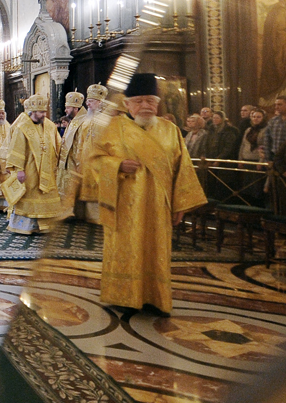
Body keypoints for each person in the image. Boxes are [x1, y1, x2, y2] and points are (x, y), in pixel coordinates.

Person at [87, 73, 207, 316]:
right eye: (139, 101)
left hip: (158, 206)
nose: (145, 106)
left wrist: (180, 204)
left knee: (157, 250)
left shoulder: (170, 130)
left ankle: (155, 297)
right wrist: (117, 165)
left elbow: (182, 169)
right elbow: (93, 161)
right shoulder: (111, 129)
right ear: (127, 104)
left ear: (158, 103)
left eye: (150, 101)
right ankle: (123, 296)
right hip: (123, 204)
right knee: (125, 247)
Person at [3, 94, 65, 234]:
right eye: (41, 112)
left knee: (46, 195)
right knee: (30, 195)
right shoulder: (22, 127)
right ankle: (25, 226)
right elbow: (17, 149)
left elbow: (58, 144)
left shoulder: (50, 126)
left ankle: (45, 225)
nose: (44, 114)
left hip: (48, 169)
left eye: (44, 112)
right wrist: (19, 170)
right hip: (30, 170)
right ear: (32, 112)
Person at [75, 85, 111, 224]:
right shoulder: (86, 120)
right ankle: (85, 215)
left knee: (98, 187)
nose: (87, 104)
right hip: (85, 160)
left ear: (100, 102)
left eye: (91, 101)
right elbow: (81, 140)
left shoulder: (107, 120)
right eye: (88, 100)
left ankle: (98, 217)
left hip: (99, 160)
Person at [57, 90, 90, 218]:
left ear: (76, 108)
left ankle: (71, 212)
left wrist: (78, 162)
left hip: (74, 162)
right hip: (67, 162)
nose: (65, 110)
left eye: (68, 107)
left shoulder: (84, 121)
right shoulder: (75, 120)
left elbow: (81, 144)